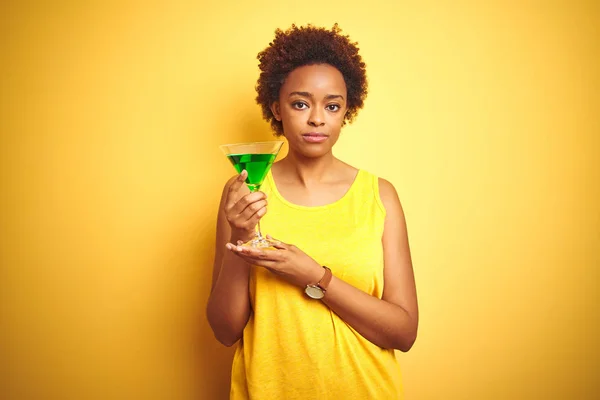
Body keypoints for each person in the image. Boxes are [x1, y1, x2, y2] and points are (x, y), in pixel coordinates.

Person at [207, 23, 418, 399]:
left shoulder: (379, 195)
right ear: (276, 108)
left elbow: (403, 333)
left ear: (346, 111)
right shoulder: (243, 194)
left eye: (332, 106)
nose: (317, 119)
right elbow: (225, 331)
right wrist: (241, 235)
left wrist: (316, 276)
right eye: (300, 103)